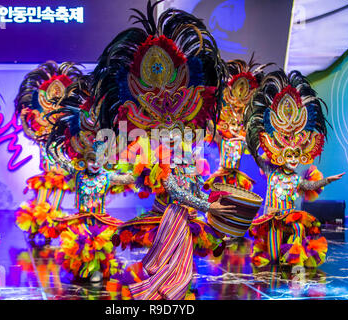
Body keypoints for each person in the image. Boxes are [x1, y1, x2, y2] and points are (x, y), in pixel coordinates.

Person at [91, 1, 240, 299]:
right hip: (173, 216)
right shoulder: (161, 156)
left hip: (183, 216)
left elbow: (190, 185)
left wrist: (206, 201)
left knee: (176, 266)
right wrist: (207, 207)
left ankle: (171, 290)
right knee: (170, 268)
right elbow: (173, 187)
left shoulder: (186, 153)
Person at [244, 70, 344, 267]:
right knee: (272, 257)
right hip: (272, 217)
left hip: (290, 217)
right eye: (288, 155)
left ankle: (294, 256)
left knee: (298, 233)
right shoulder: (271, 170)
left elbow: (309, 185)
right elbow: (258, 154)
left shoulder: (296, 179)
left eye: (296, 156)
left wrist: (328, 180)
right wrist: (251, 133)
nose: (292, 160)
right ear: (280, 154)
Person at [46, 83, 135, 283]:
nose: (95, 165)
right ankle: (82, 269)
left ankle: (96, 270)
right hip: (81, 221)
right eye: (91, 161)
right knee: (80, 247)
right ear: (84, 161)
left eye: (98, 161)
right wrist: (52, 141)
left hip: (100, 223)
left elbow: (129, 178)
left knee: (99, 247)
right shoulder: (78, 174)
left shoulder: (106, 176)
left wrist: (140, 164)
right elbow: (59, 159)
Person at [14, 61, 87, 244]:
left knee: (54, 207)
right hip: (47, 175)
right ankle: (34, 231)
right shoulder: (43, 135)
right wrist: (23, 120)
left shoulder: (66, 135)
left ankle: (48, 234)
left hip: (62, 177)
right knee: (39, 205)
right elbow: (30, 133)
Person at [204, 58, 271, 191]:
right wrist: (206, 110)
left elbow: (254, 149)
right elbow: (211, 128)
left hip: (236, 177)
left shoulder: (242, 140)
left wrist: (246, 140)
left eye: (238, 124)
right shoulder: (221, 140)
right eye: (232, 124)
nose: (235, 128)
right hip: (221, 175)